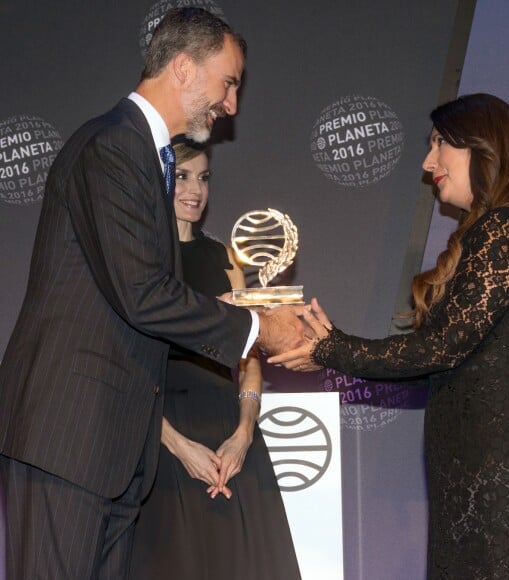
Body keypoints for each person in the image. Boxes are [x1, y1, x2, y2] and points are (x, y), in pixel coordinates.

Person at [0, 8, 303, 580]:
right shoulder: (114, 146)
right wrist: (259, 327)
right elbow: (143, 294)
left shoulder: (145, 156)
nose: (231, 104)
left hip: (112, 451)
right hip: (70, 438)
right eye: (229, 82)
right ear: (184, 68)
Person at [270, 93, 509, 579]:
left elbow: (442, 346)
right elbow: (440, 363)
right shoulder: (487, 233)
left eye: (440, 143)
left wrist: (334, 348)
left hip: (507, 468)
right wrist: (334, 348)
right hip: (476, 467)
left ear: (483, 147)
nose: (427, 161)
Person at [129, 140, 301, 579]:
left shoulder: (224, 257)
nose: (195, 189)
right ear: (159, 180)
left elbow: (248, 356)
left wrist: (244, 433)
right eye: (182, 176)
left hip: (230, 433)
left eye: (203, 177)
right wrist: (177, 445)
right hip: (161, 429)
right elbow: (125, 365)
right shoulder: (136, 261)